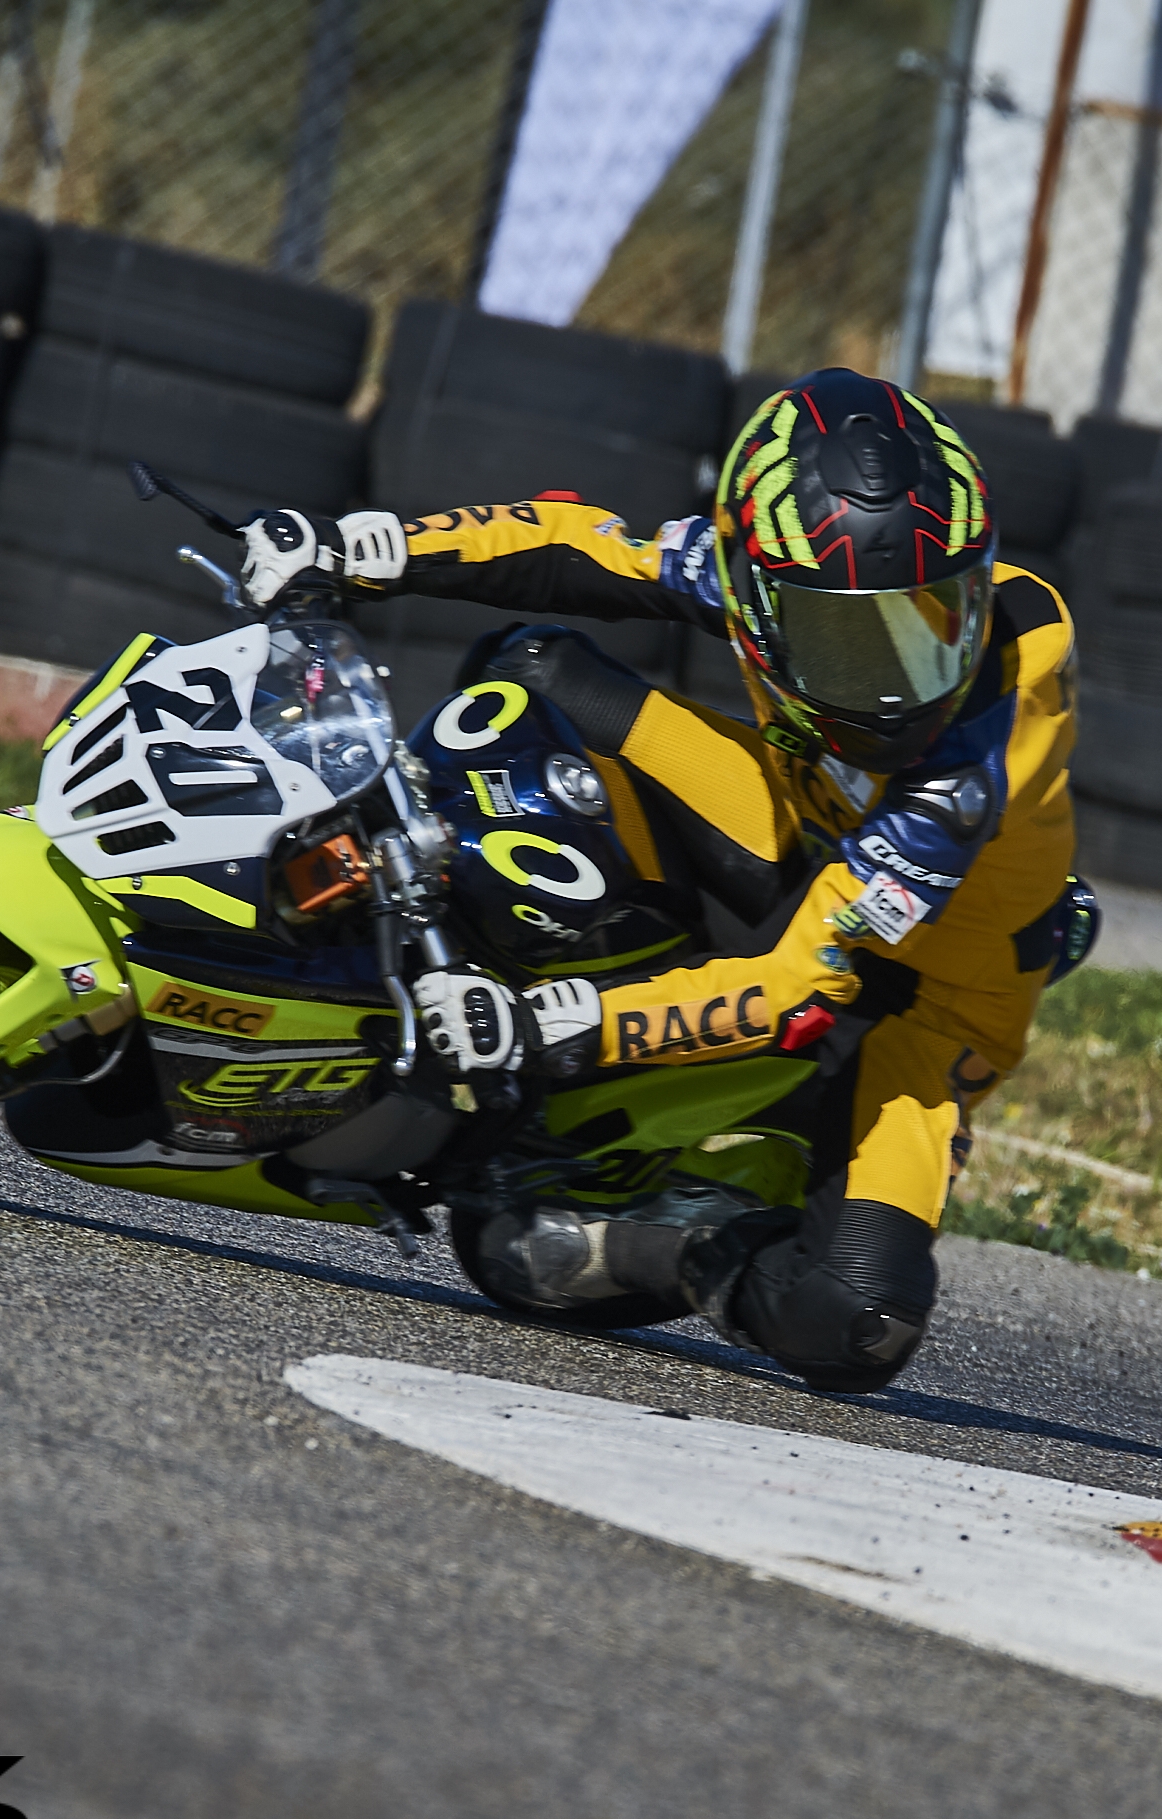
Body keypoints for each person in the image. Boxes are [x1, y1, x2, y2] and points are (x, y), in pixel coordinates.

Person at [236, 367, 1082, 1392]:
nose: (898, 686)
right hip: (794, 837)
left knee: (856, 1319)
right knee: (534, 666)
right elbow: (579, 547)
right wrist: (365, 547)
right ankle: (405, 898)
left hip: (916, 998)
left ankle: (677, 1233)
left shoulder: (971, 766)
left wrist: (546, 1024)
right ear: (755, 595)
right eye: (843, 640)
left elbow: (799, 986)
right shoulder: (751, 568)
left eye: (934, 620)